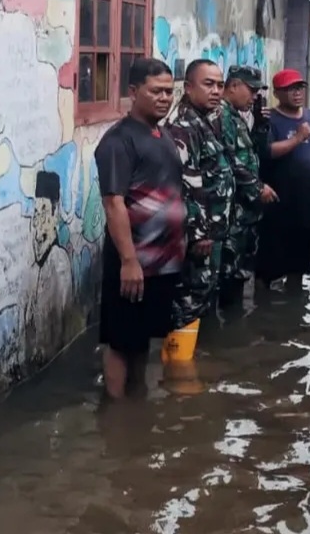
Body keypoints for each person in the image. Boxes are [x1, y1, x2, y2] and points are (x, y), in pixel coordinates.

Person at [94, 57, 186, 399]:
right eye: (156, 91)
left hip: (162, 261)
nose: (164, 98)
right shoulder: (118, 141)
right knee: (120, 341)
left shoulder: (162, 135)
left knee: (142, 337)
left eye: (169, 91)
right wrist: (129, 261)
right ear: (133, 92)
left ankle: (138, 402)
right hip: (132, 262)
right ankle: (116, 411)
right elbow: (113, 203)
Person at [165, 59, 234, 329]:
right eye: (208, 84)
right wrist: (198, 233)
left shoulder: (204, 120)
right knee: (188, 303)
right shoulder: (183, 126)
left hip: (211, 233)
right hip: (197, 237)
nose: (216, 91)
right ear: (188, 87)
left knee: (204, 297)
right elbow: (183, 183)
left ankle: (201, 352)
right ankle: (179, 354)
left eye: (220, 85)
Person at [256, 68, 310, 288]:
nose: (297, 92)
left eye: (300, 88)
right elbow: (266, 152)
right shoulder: (268, 120)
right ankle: (265, 305)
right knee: (267, 270)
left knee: (298, 268)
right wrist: (298, 138)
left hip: (305, 207)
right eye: (290, 89)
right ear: (277, 93)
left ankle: (294, 304)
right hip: (276, 206)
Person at [219, 64, 276, 306]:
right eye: (251, 91)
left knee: (240, 274)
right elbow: (230, 160)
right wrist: (258, 187)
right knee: (228, 276)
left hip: (244, 213)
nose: (254, 97)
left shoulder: (236, 117)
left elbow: (249, 153)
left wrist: (260, 126)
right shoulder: (222, 117)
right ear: (234, 86)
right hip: (232, 214)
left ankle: (235, 322)